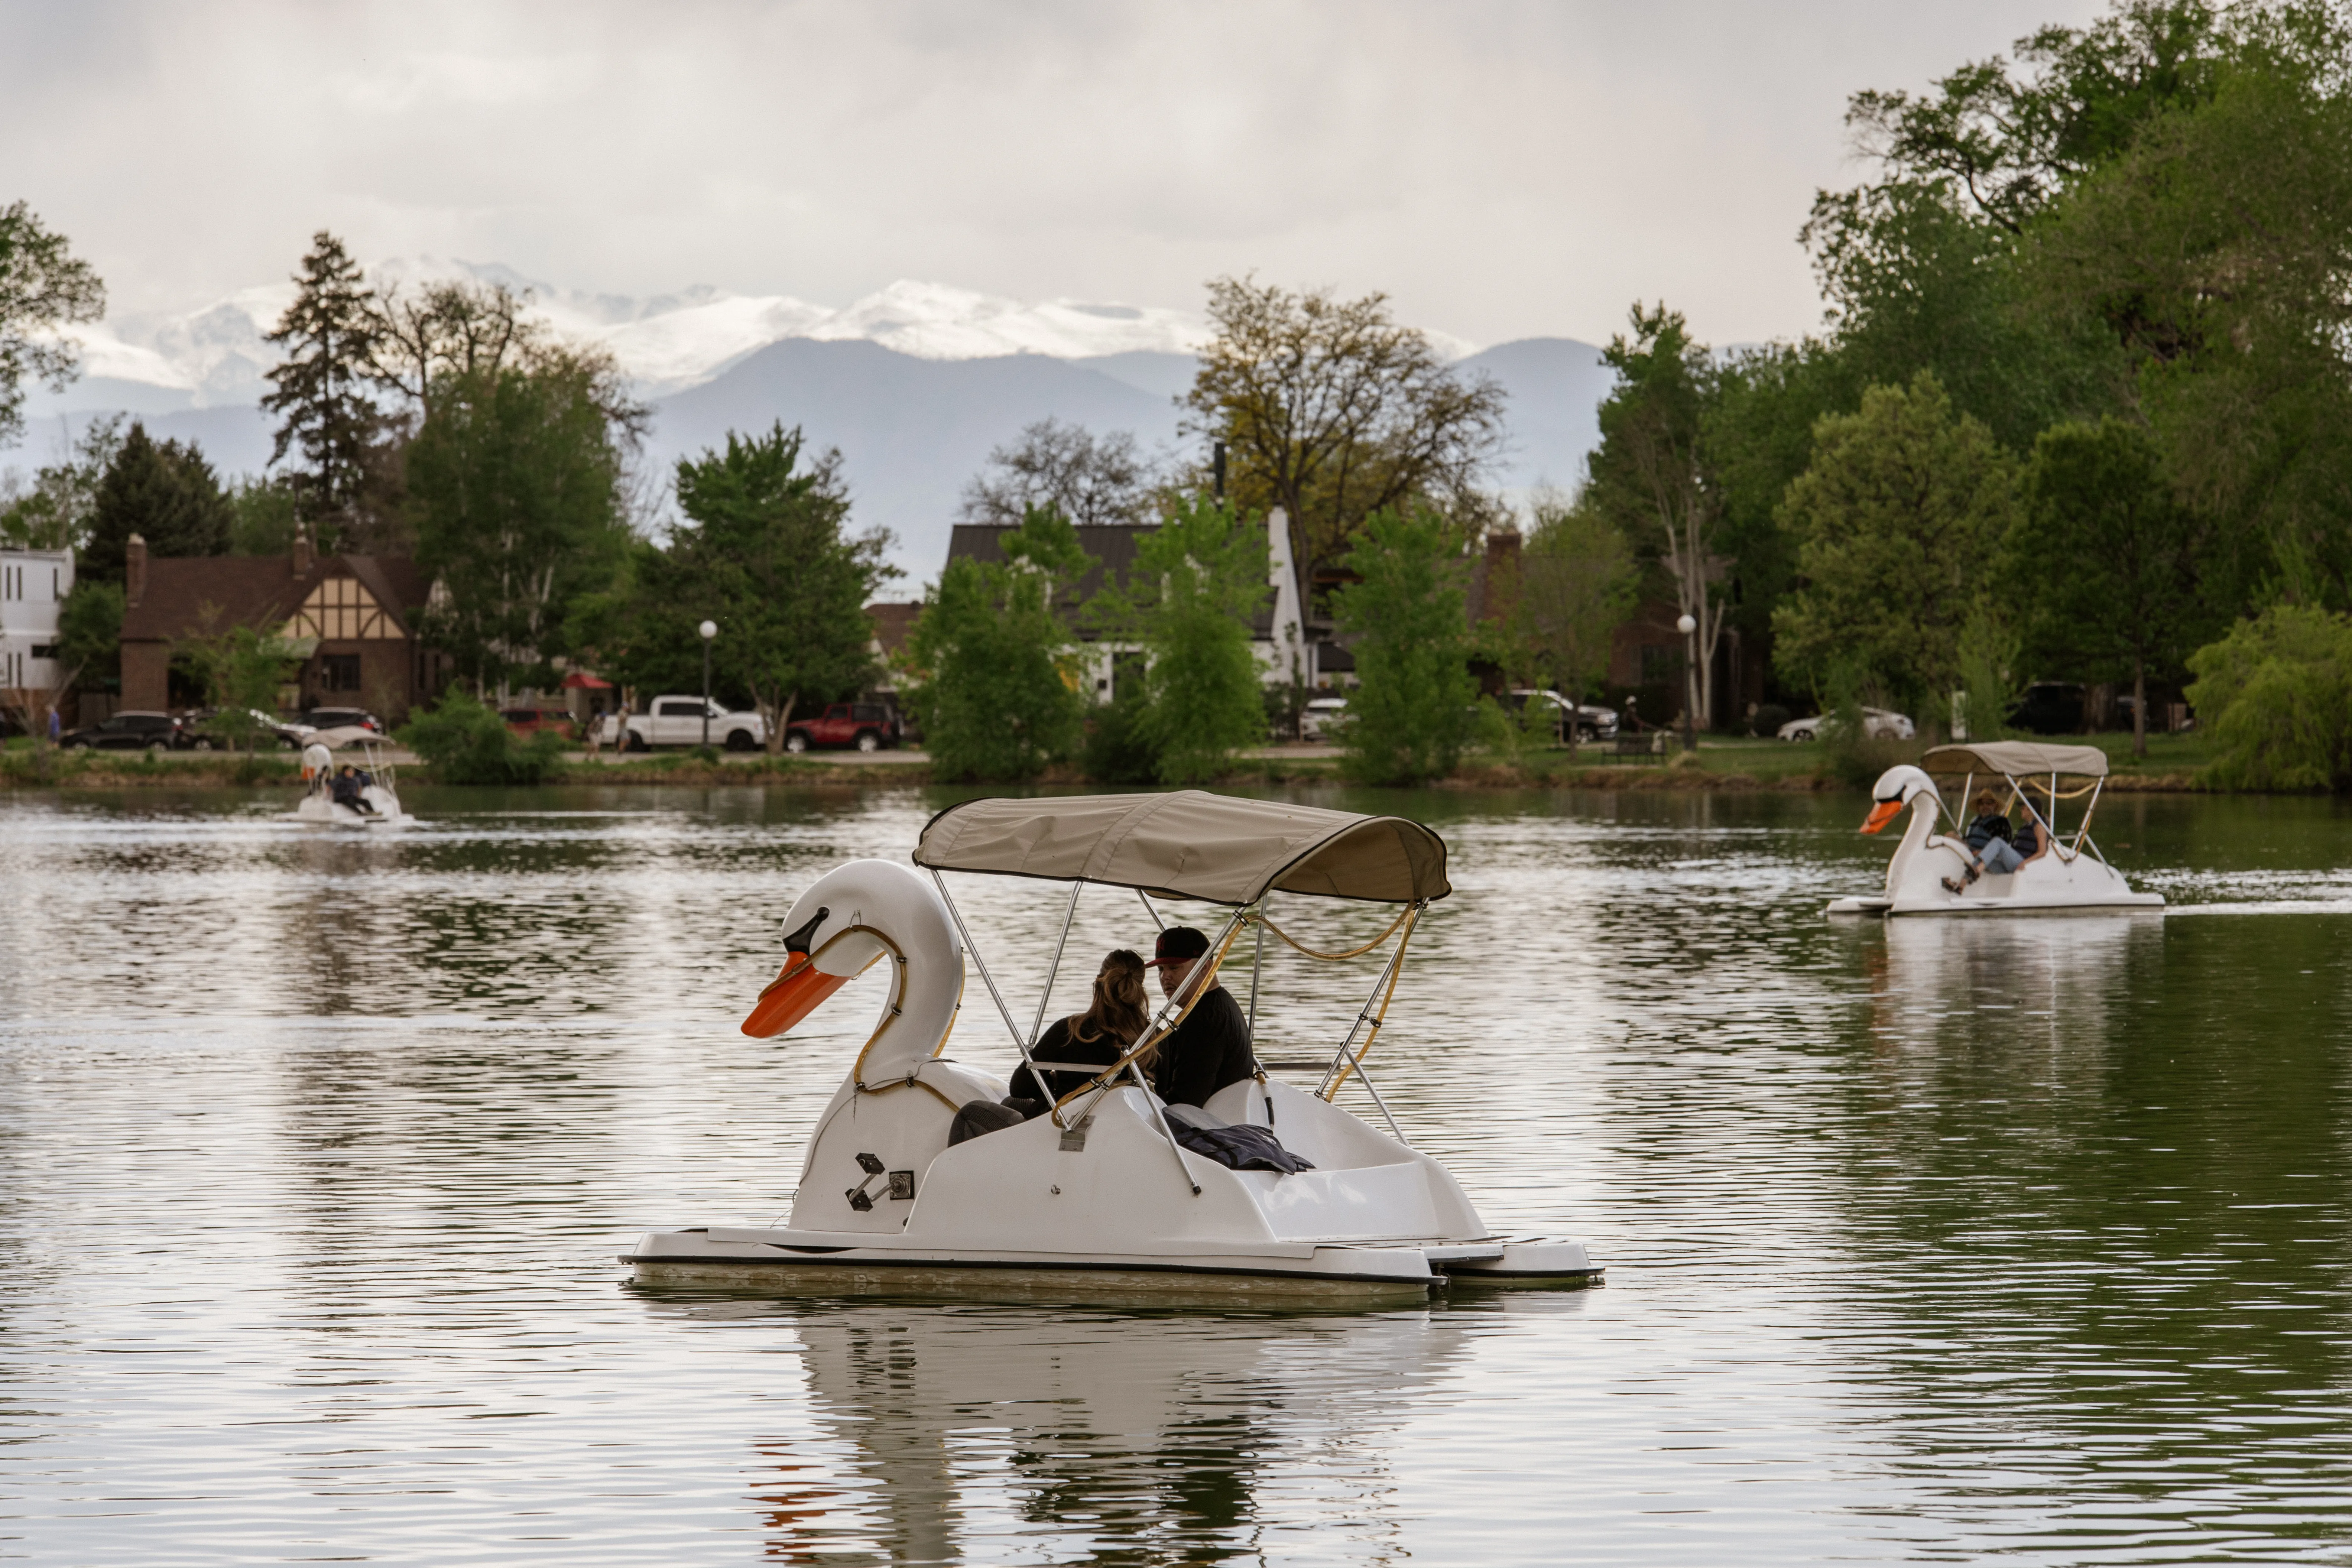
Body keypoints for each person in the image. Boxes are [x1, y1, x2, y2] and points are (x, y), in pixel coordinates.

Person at [948, 949, 1150, 1146]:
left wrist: (1055, 1081)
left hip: (1065, 1129)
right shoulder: (1155, 1037)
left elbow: (1020, 1086)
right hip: (1125, 1130)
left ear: (1098, 984)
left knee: (972, 1113)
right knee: (1011, 1103)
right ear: (1139, 989)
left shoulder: (1072, 1029)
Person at [1145, 925, 1256, 1109]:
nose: (1165, 976)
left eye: (1174, 967)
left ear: (1205, 967)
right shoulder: (1221, 1004)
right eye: (1161, 969)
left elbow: (1185, 1106)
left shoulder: (1204, 1022)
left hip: (1208, 1132)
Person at [1943, 789, 2025, 893]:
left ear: (1995, 805)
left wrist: (1979, 852)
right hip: (1971, 851)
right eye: (1982, 804)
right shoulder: (1975, 821)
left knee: (1993, 845)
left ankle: (1964, 882)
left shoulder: (2001, 823)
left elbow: (2002, 848)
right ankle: (1949, 875)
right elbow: (1967, 839)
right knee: (1950, 835)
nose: (1985, 806)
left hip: (1989, 859)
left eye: (1988, 803)